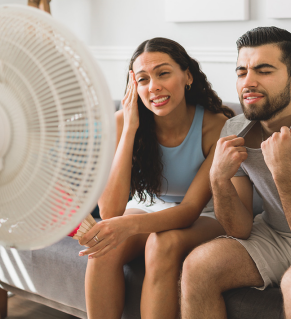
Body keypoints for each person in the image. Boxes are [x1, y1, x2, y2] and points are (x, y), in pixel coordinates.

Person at [179, 27, 291, 319]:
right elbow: (238, 229)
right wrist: (218, 179)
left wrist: (282, 172)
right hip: (271, 235)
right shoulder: (234, 129)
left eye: (263, 71)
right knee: (197, 266)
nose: (248, 82)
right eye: (241, 72)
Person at [76, 37, 235, 318]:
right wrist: (129, 128)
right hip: (149, 204)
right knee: (103, 249)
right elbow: (111, 210)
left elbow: (189, 211)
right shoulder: (123, 121)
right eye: (143, 79)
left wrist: (129, 225)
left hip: (204, 215)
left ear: (187, 76)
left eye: (163, 73)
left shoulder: (216, 125)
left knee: (160, 243)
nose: (154, 87)